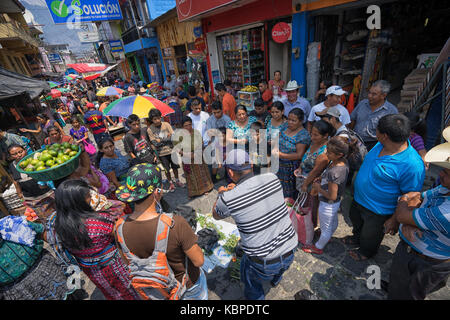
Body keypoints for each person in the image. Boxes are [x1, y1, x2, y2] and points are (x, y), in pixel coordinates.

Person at [212, 149, 298, 300]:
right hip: (290, 247)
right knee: (280, 266)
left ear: (230, 173)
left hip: (263, 261)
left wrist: (222, 193)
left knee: (251, 284)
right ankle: (275, 280)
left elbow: (216, 215)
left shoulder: (228, 198)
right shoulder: (272, 178)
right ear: (251, 165)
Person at [114, 163, 207, 300]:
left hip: (156, 292)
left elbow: (128, 262)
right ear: (157, 191)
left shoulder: (119, 227)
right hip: (186, 287)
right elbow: (199, 261)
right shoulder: (175, 224)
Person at [344, 114, 425, 261]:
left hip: (378, 211)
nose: (375, 132)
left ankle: (366, 252)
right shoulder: (380, 144)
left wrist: (394, 219)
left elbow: (411, 196)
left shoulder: (412, 165)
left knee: (370, 235)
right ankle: (356, 238)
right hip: (358, 199)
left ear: (384, 136)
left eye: (377, 130)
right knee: (356, 222)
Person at [384, 126, 450, 300]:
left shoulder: (447, 212)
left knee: (410, 295)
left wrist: (405, 213)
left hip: (427, 263)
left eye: (447, 172)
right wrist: (408, 219)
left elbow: (404, 211)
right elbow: (417, 196)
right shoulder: (444, 189)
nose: (440, 174)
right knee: (398, 286)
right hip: (412, 251)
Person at [52, 179, 140, 300]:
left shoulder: (56, 225)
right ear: (77, 202)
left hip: (92, 271)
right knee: (129, 292)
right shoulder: (99, 220)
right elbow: (123, 236)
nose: (92, 199)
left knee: (112, 293)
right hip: (116, 267)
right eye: (88, 197)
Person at [0, 216, 70, 300]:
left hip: (48, 273)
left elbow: (41, 231)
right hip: (20, 293)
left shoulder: (11, 223)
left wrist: (62, 256)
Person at [303, 136, 352, 254]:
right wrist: (322, 177)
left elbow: (332, 196)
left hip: (328, 204)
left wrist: (318, 188)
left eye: (329, 153)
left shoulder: (335, 172)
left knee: (325, 229)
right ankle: (327, 235)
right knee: (332, 222)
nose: (326, 153)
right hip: (334, 204)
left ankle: (318, 247)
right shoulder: (341, 162)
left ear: (339, 154)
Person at [294, 120, 334, 227]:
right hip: (303, 179)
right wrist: (300, 168)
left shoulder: (324, 154)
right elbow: (306, 157)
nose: (312, 137)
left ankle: (309, 228)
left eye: (316, 135)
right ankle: (302, 225)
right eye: (311, 134)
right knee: (304, 206)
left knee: (311, 207)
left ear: (325, 136)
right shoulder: (315, 142)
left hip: (311, 185)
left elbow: (314, 172)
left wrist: (305, 185)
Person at [7, 144, 55, 220]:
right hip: (31, 200)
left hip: (47, 195)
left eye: (20, 151)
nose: (19, 155)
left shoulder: (35, 160)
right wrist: (22, 199)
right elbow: (16, 182)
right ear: (10, 156)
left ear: (25, 150)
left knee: (55, 214)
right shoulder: (12, 166)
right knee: (43, 219)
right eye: (14, 154)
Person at [349, 80, 398, 151]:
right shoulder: (362, 104)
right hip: (356, 141)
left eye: (374, 94)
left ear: (383, 95)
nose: (369, 96)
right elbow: (352, 120)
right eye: (369, 92)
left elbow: (391, 133)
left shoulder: (391, 111)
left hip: (376, 146)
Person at [273, 109, 311, 199]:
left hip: (289, 168)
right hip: (278, 164)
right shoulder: (285, 126)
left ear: (301, 122)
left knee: (288, 192)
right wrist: (274, 148)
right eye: (289, 119)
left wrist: (280, 154)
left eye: (293, 120)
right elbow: (277, 137)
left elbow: (299, 155)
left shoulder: (303, 135)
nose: (290, 122)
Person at [147, 109, 184, 191]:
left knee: (175, 167)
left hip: (172, 150)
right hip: (161, 153)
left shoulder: (166, 124)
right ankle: (170, 182)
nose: (157, 121)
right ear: (151, 120)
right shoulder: (150, 129)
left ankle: (177, 180)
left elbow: (173, 137)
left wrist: (161, 140)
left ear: (161, 117)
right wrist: (167, 138)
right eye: (154, 119)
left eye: (158, 118)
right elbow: (155, 143)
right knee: (167, 169)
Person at [177, 116, 214, 198]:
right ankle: (194, 192)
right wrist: (187, 154)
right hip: (187, 158)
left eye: (190, 124)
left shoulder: (196, 132)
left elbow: (201, 143)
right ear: (182, 127)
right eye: (185, 125)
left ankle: (205, 189)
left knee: (202, 173)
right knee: (191, 176)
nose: (188, 127)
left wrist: (197, 153)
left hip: (198, 155)